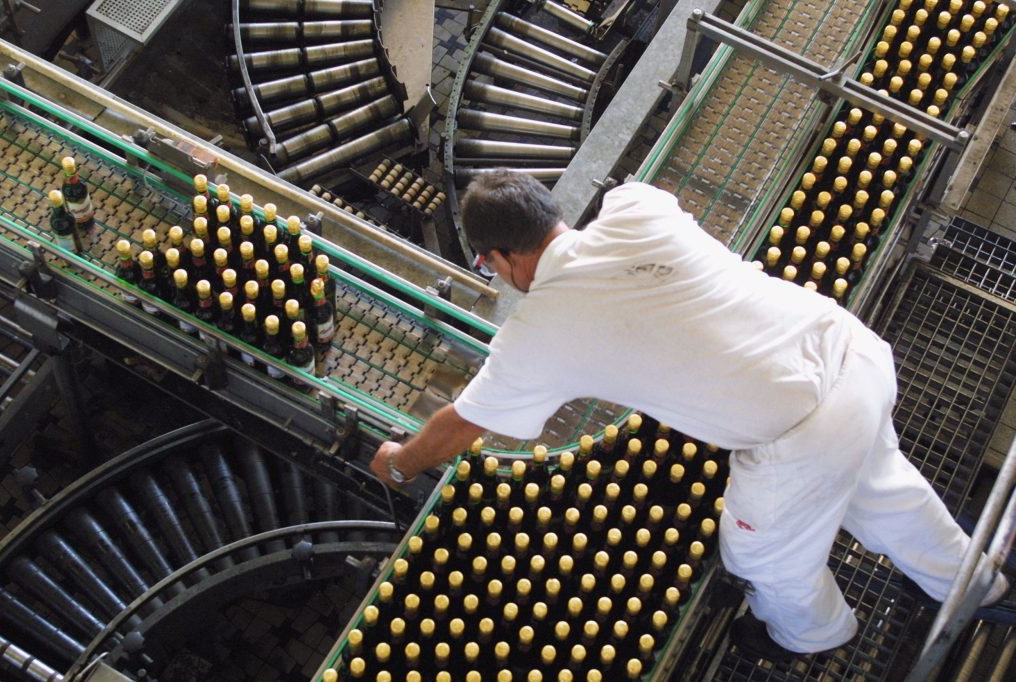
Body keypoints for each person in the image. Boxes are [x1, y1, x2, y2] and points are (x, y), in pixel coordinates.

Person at [370, 170, 1010, 659]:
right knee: (882, 490)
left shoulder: (536, 334)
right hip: (849, 350)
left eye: (489, 266)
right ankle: (978, 587)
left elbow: (463, 422)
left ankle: (817, 635)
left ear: (499, 258)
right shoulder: (636, 205)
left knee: (757, 554)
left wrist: (400, 465)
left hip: (802, 429)